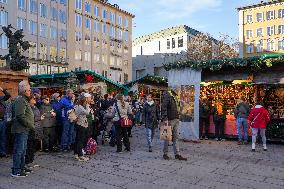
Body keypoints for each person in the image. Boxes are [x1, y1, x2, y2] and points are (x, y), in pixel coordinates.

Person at [11, 80, 34, 177]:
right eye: (29, 90)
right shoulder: (20, 99)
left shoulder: (23, 99)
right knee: (19, 150)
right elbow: (20, 116)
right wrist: (29, 124)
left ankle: (21, 167)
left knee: (23, 149)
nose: (30, 91)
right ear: (24, 91)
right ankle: (16, 170)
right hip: (21, 129)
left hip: (24, 129)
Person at [161, 90, 187, 161]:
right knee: (167, 137)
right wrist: (165, 118)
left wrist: (182, 106)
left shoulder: (176, 96)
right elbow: (163, 107)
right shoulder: (168, 95)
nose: (179, 90)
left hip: (176, 119)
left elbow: (178, 108)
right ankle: (165, 154)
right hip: (169, 120)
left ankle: (177, 154)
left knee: (176, 137)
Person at [74, 93, 91, 161]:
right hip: (81, 124)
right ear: (85, 99)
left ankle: (76, 153)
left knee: (78, 139)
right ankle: (80, 155)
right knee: (80, 140)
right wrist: (88, 105)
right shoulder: (80, 106)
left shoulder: (78, 105)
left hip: (80, 124)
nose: (90, 99)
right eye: (89, 98)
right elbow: (87, 112)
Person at [0, 87, 11, 158]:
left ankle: (2, 152)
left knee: (3, 137)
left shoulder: (0, 99)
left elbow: (8, 95)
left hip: (2, 121)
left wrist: (2, 89)